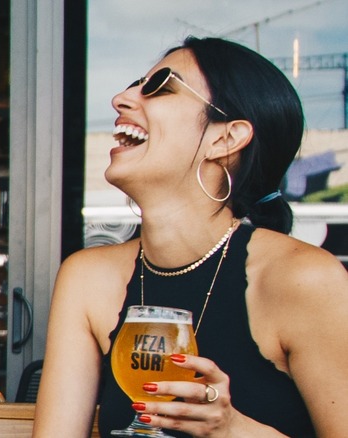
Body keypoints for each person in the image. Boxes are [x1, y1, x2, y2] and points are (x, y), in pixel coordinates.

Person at [33, 36, 348, 437]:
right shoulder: (87, 278)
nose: (121, 99)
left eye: (160, 87)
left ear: (225, 138)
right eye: (135, 84)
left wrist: (232, 429)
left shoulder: (304, 279)